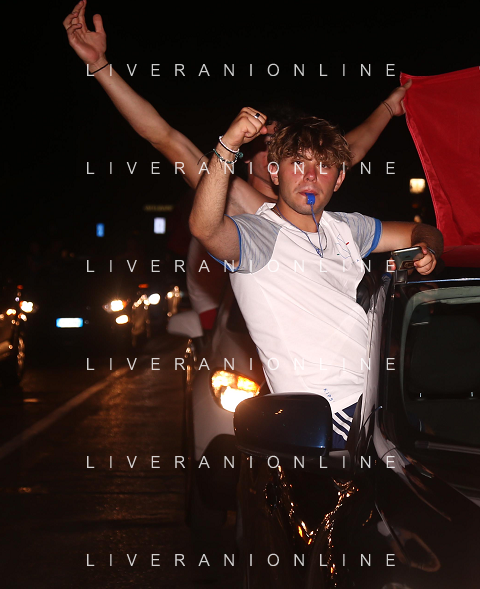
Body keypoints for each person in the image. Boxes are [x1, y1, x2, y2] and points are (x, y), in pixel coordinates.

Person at [63, 0, 412, 332]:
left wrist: (388, 108)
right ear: (247, 155)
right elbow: (165, 137)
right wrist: (100, 67)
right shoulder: (237, 196)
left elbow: (351, 148)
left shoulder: (314, 201)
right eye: (267, 145)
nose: (280, 155)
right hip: (246, 340)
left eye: (290, 151)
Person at [190, 109, 443, 448]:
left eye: (323, 166)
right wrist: (229, 145)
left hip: (383, 402)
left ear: (338, 180)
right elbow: (206, 229)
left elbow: (421, 231)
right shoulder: (258, 236)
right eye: (297, 163)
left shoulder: (345, 228)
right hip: (331, 418)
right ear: (274, 172)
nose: (310, 176)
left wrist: (427, 249)